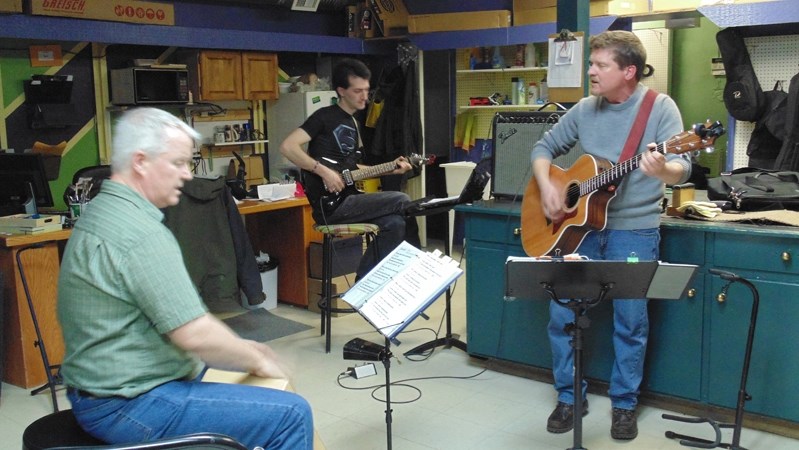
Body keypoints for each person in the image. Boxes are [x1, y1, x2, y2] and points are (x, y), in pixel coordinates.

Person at [57, 107, 314, 450]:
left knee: (247, 382)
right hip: (128, 404)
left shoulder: (102, 211)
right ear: (140, 162)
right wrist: (258, 357)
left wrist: (239, 352)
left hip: (99, 390)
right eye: (177, 163)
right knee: (292, 413)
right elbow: (194, 333)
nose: (186, 175)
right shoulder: (140, 234)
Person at [530, 30, 691, 440]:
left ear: (629, 71)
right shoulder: (584, 109)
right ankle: (569, 397)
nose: (591, 72)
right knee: (562, 314)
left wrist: (665, 170)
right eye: (591, 64)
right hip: (578, 233)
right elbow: (542, 149)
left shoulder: (660, 108)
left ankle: (624, 405)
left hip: (633, 231)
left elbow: (683, 165)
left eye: (600, 65)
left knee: (631, 320)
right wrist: (550, 186)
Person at [280, 58, 419, 279]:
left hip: (350, 198)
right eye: (358, 91)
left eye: (366, 90)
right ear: (341, 91)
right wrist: (322, 171)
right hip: (331, 206)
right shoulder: (323, 117)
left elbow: (352, 170)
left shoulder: (353, 123)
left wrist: (390, 169)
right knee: (401, 199)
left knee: (395, 223)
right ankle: (417, 264)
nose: (365, 96)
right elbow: (288, 146)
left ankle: (364, 281)